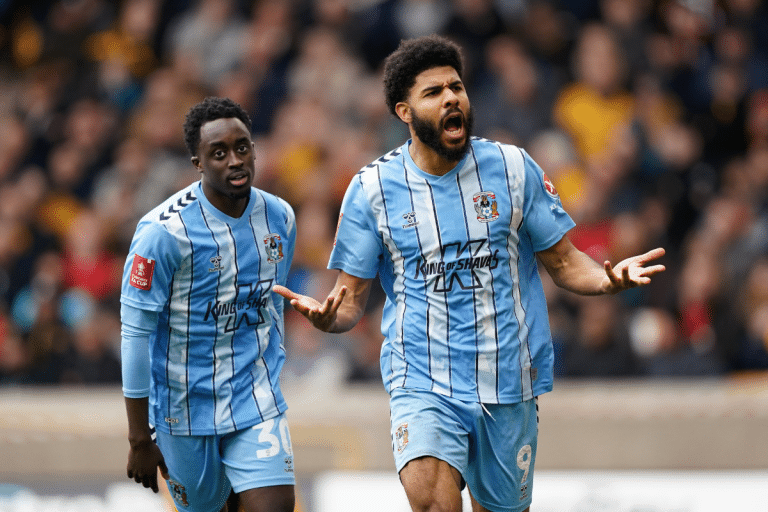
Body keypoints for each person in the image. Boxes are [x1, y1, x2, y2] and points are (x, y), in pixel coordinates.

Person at [273, 35, 665, 512]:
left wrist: (606, 279)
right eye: (433, 92)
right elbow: (349, 299)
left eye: (456, 87)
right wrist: (329, 318)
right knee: (432, 497)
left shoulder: (513, 169)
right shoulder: (371, 189)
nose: (451, 98)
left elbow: (563, 261)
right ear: (404, 112)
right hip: (421, 375)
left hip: (507, 377)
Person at [120, 97, 296, 512]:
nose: (235, 161)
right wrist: (138, 438)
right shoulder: (163, 234)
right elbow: (135, 335)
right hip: (184, 411)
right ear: (197, 162)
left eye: (243, 147)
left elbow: (272, 305)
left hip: (256, 401)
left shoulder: (279, 217)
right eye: (219, 153)